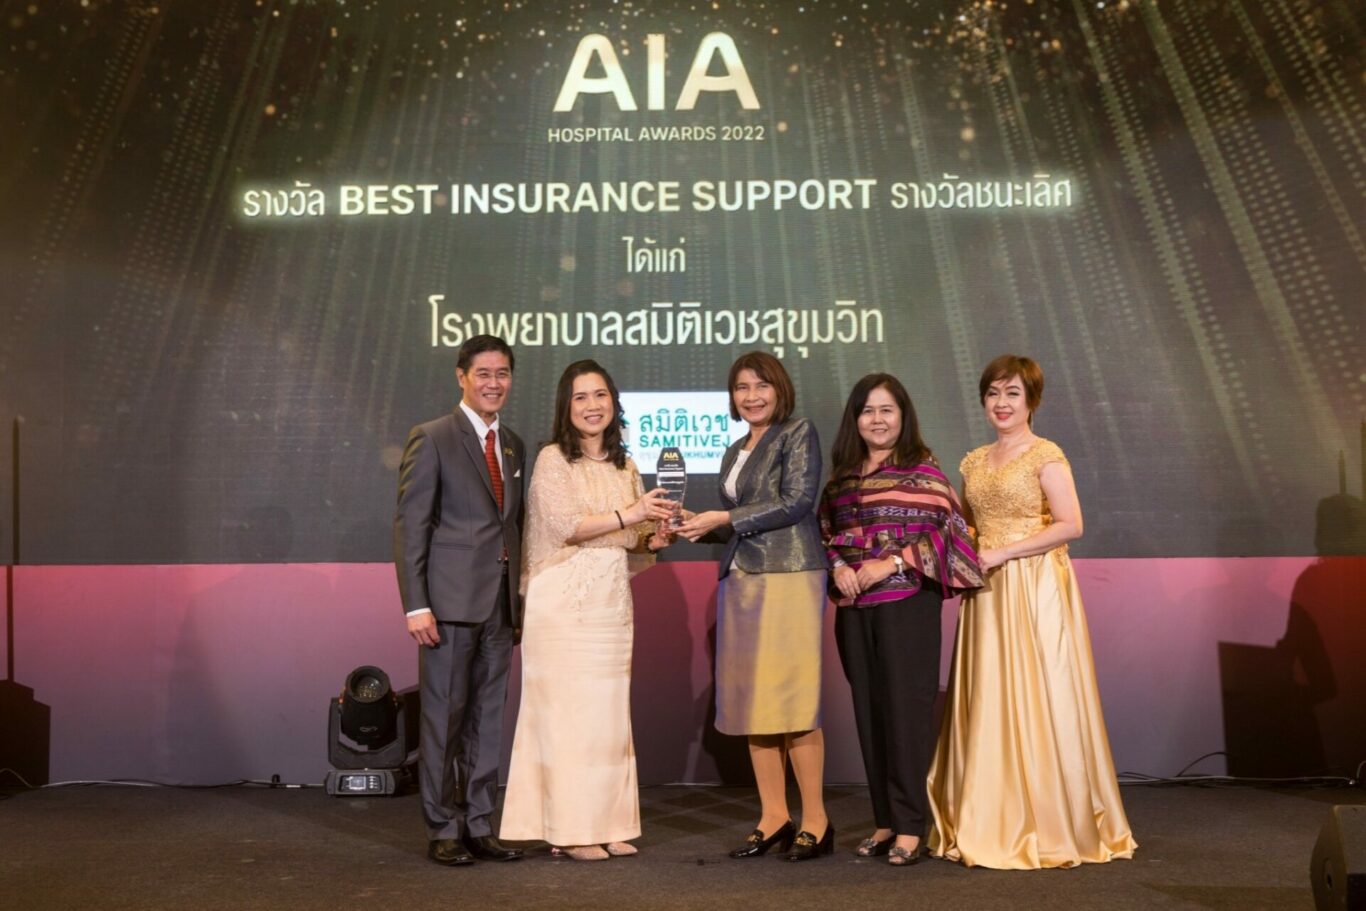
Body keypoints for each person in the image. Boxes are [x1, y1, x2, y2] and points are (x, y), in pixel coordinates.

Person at [927, 354, 1137, 869]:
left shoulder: (1046, 454)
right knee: (990, 692)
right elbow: (969, 526)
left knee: (1040, 691)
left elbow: (1070, 524)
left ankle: (1047, 822)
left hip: (1035, 584)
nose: (1001, 403)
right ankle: (989, 813)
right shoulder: (974, 461)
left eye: (1012, 394)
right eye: (993, 393)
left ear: (1031, 401)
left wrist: (1004, 551)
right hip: (987, 590)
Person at [499, 360, 674, 862]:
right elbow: (566, 526)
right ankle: (568, 830)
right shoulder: (553, 459)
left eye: (600, 395)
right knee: (567, 718)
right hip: (561, 604)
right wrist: (633, 515)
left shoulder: (626, 465)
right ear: (566, 406)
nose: (592, 406)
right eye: (580, 397)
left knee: (607, 720)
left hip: (610, 605)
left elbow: (633, 540)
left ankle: (607, 823)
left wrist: (653, 536)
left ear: (614, 403)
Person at [818, 374, 982, 867]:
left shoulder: (925, 474)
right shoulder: (842, 480)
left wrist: (888, 563)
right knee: (870, 714)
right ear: (855, 419)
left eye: (887, 410)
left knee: (906, 714)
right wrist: (839, 566)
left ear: (903, 416)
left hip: (907, 605)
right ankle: (885, 821)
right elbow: (825, 535)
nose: (877, 420)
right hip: (854, 609)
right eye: (867, 410)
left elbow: (953, 535)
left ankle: (911, 827)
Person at [675, 352, 832, 862]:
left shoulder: (797, 432)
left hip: (790, 573)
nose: (751, 396)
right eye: (741, 387)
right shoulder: (732, 450)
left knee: (794, 699)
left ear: (779, 388)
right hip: (742, 580)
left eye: (761, 385)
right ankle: (773, 816)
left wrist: (725, 516)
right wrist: (697, 526)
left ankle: (816, 820)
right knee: (754, 704)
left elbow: (797, 502)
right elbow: (739, 525)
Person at [393, 334, 527, 866]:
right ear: (461, 377)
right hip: (447, 605)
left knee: (487, 720)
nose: (494, 383)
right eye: (484, 373)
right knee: (443, 720)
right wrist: (416, 604)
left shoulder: (512, 444)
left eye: (503, 373)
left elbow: (513, 525)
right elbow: (412, 526)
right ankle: (442, 827)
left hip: (500, 606)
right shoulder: (432, 438)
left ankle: (479, 824)